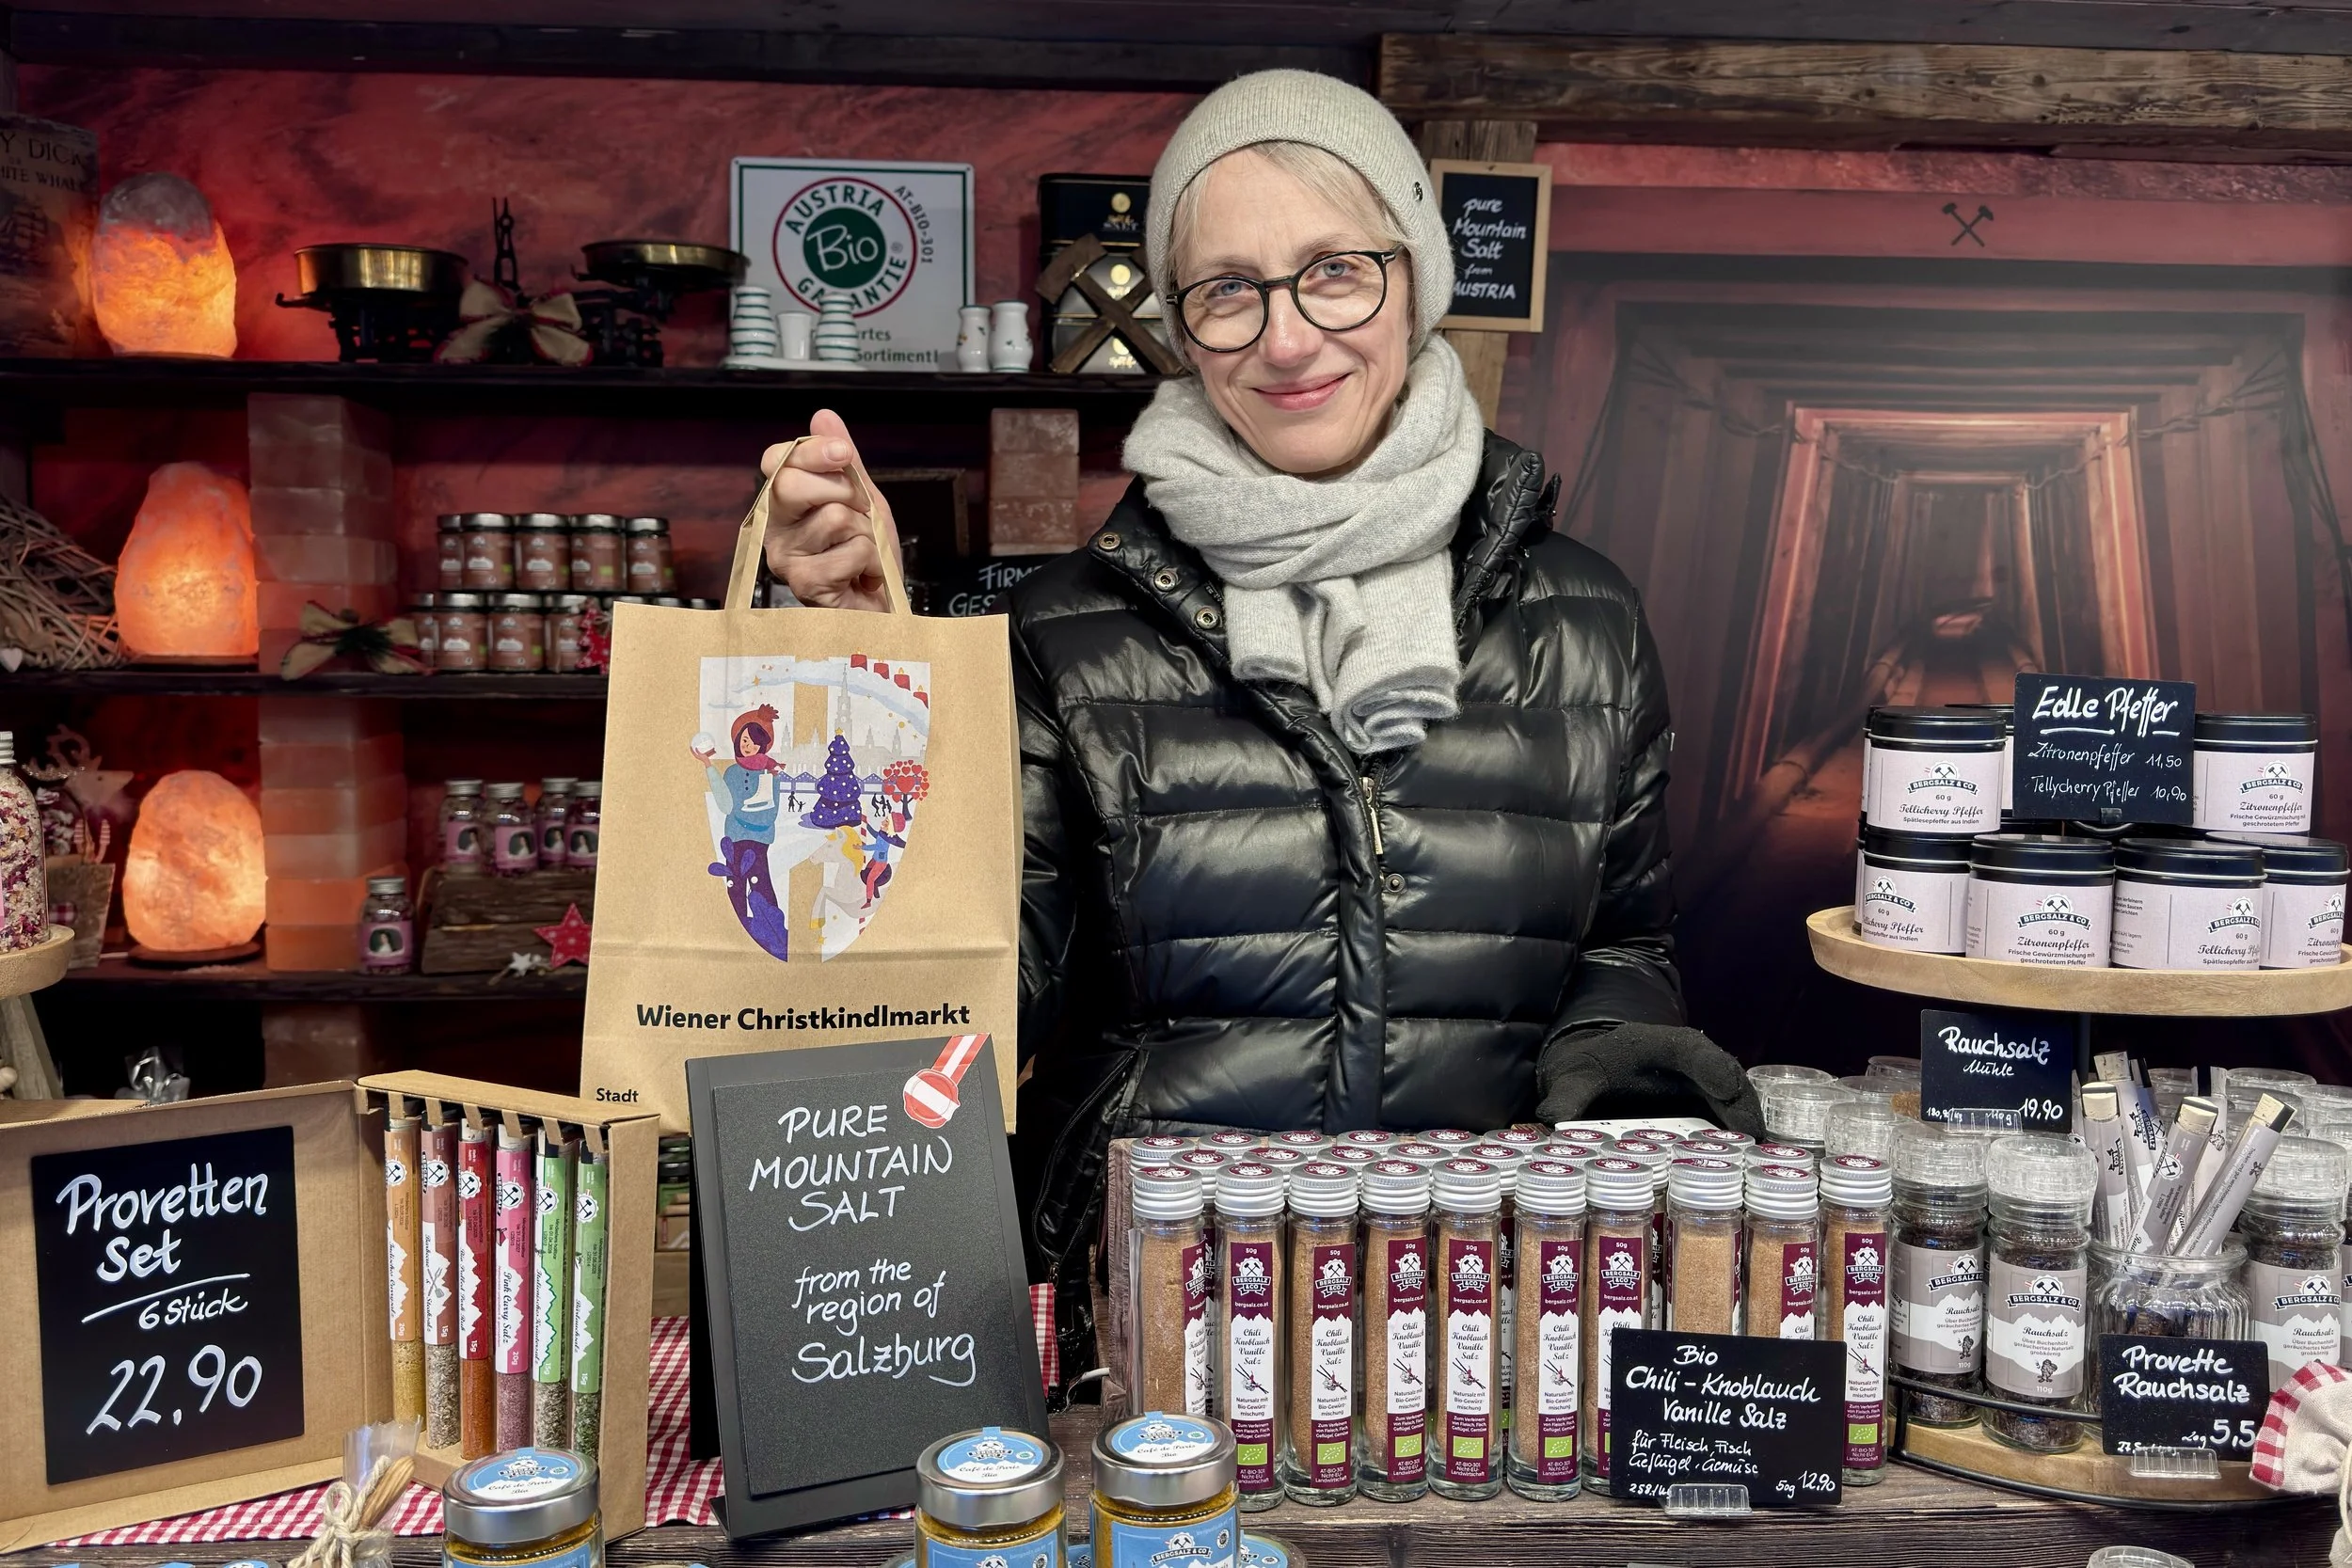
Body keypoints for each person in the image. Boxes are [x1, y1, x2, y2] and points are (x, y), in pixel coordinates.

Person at [761, 70, 1755, 1384]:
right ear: (1181, 328)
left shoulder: (1586, 617)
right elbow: (957, 990)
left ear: (1415, 277)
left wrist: (1611, 1155)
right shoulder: (1069, 632)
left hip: (1464, 1327)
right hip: (1144, 1321)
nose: (1288, 341)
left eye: (1335, 270)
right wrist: (849, 671)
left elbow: (1619, 953)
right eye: (1228, 291)